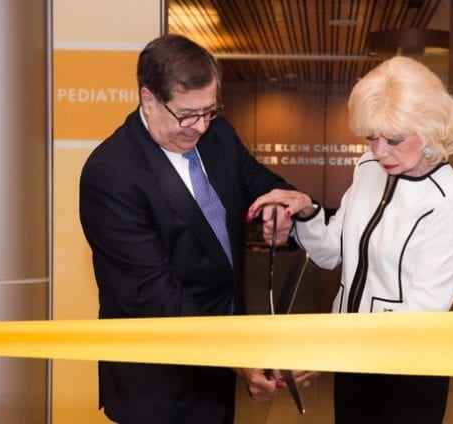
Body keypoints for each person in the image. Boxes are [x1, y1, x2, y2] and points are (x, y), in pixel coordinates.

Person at [247, 56, 453, 423]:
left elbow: (425, 310)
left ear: (432, 127)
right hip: (353, 359)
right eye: (371, 137)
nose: (379, 151)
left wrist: (333, 349)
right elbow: (331, 252)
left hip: (410, 366)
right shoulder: (368, 168)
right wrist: (307, 212)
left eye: (394, 139)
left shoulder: (452, 198)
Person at [79, 33, 296, 424]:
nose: (198, 126)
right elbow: (152, 295)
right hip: (158, 381)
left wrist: (283, 205)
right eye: (186, 114)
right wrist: (236, 356)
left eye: (209, 111)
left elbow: (261, 182)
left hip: (218, 362)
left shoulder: (218, 134)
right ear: (148, 99)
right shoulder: (111, 173)